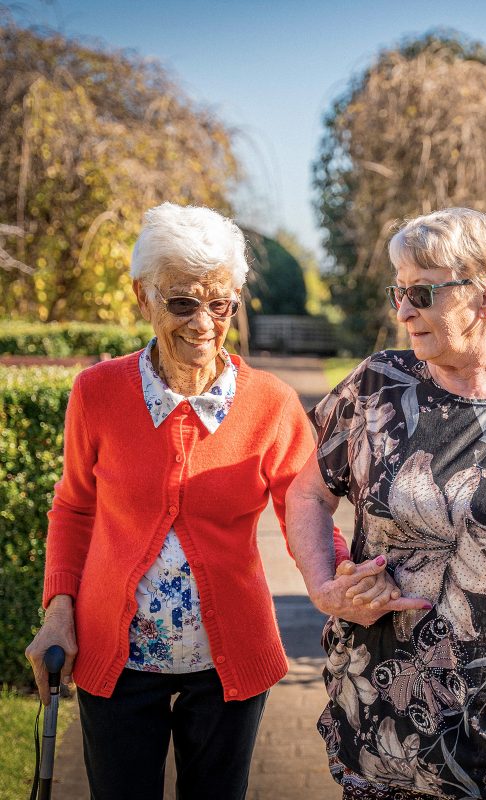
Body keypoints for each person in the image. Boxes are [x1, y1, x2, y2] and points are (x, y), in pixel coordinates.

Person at [25, 202, 371, 800]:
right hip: (117, 656)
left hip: (228, 659)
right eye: (182, 302)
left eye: (221, 305)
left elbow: (303, 506)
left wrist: (335, 575)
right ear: (143, 298)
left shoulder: (271, 402)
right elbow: (75, 508)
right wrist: (59, 609)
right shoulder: (98, 392)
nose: (205, 324)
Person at [286, 207, 486, 800]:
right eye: (398, 291)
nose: (403, 310)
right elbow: (306, 490)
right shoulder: (378, 385)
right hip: (388, 717)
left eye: (422, 292)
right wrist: (323, 587)